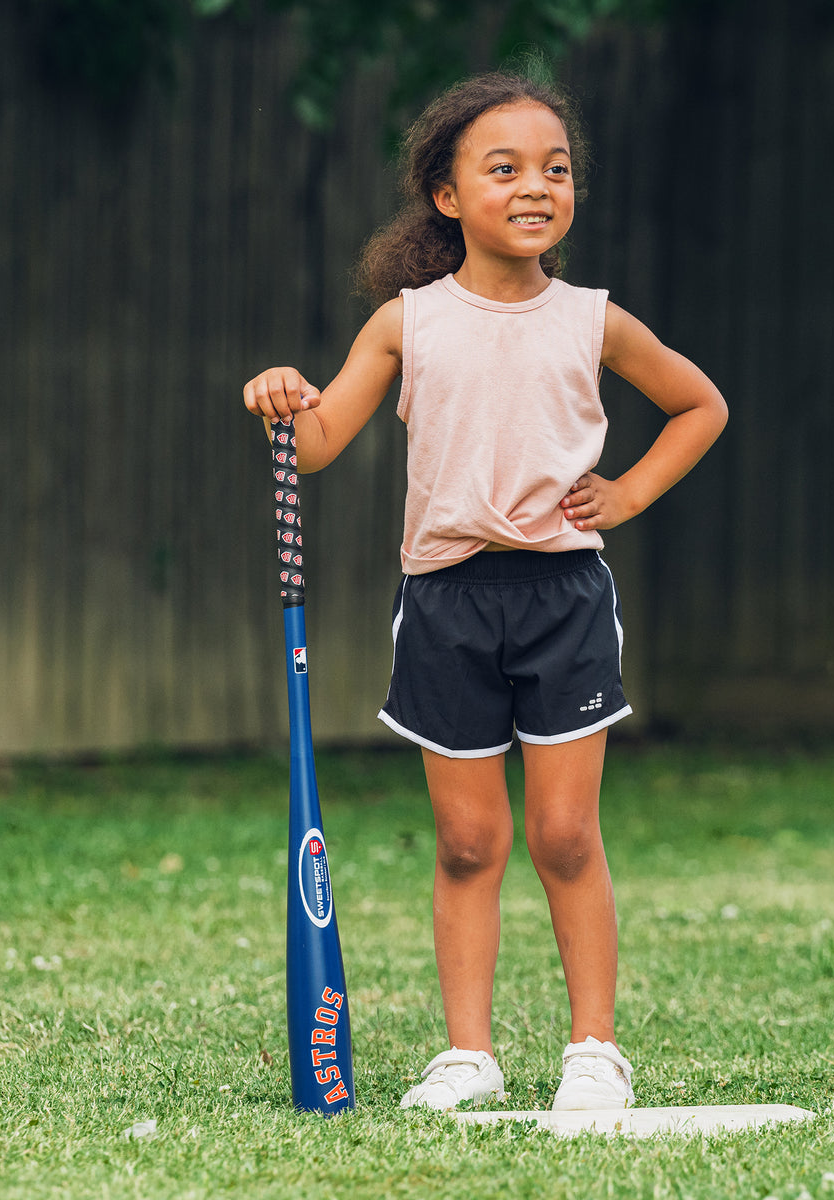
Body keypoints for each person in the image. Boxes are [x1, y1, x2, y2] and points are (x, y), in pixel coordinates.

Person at [243, 70, 728, 1112]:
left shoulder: (593, 319)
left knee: (562, 834)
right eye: (503, 168)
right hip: (447, 601)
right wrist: (284, 398)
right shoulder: (405, 324)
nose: (535, 186)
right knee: (468, 842)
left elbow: (699, 405)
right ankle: (470, 1056)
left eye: (554, 169)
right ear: (448, 195)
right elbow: (318, 441)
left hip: (562, 597)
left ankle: (593, 1050)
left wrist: (631, 492)